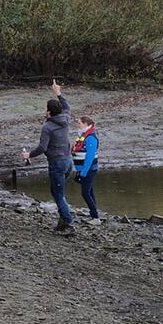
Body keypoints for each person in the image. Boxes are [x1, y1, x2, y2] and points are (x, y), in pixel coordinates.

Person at [23, 80, 75, 235]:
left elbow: (42, 148)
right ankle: (62, 222)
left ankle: (69, 224)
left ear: (49, 113)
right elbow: (67, 107)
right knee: (57, 192)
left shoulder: (48, 127)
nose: (44, 111)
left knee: (58, 194)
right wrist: (58, 92)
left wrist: (29, 155)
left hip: (57, 164)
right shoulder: (65, 118)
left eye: (46, 109)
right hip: (68, 162)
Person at [72, 115, 100, 225]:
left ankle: (95, 217)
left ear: (86, 124)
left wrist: (83, 172)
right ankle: (94, 215)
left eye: (79, 123)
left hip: (89, 170)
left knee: (85, 193)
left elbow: (90, 156)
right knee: (90, 192)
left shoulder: (91, 138)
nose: (78, 125)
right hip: (84, 169)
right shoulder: (83, 136)